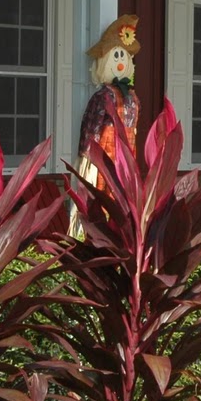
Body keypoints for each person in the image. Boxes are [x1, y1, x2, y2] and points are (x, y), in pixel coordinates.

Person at [70, 15, 140, 237]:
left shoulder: (132, 97)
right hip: (104, 154)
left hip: (126, 155)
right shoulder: (102, 96)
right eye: (116, 55)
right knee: (100, 195)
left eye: (123, 56)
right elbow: (91, 124)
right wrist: (86, 154)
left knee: (122, 196)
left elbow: (134, 126)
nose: (120, 61)